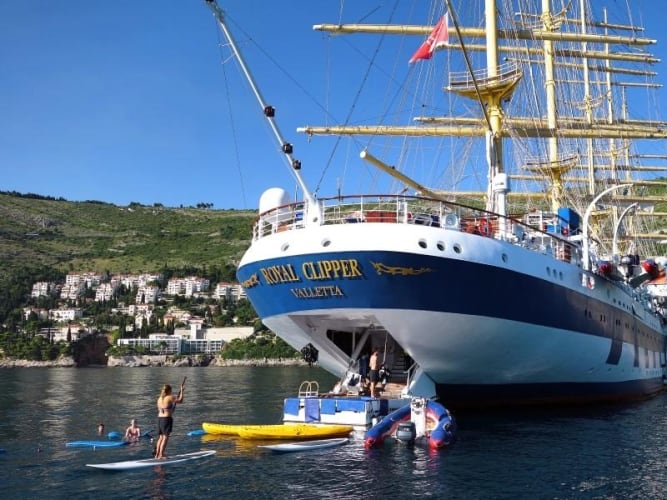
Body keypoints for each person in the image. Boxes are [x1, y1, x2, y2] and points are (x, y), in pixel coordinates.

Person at [154, 379, 185, 459]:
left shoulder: (159, 399)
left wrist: (170, 410)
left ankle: (157, 455)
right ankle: (161, 455)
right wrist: (182, 391)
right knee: (165, 437)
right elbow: (180, 400)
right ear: (169, 391)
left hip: (159, 419)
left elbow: (160, 409)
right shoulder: (170, 397)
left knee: (160, 437)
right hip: (166, 419)